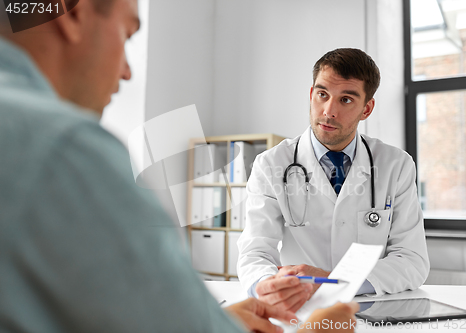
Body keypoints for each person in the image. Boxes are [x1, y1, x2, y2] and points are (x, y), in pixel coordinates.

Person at [0, 0, 359, 331]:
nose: (126, 72)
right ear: (73, 12)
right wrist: (318, 329)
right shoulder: (65, 150)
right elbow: (254, 251)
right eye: (127, 34)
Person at [237, 48, 430, 312]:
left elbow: (412, 260)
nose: (329, 111)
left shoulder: (396, 165)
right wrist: (266, 286)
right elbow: (255, 251)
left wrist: (334, 281)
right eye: (322, 94)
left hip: (370, 312)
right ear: (311, 94)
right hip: (298, 309)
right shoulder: (270, 164)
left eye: (346, 100)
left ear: (367, 108)